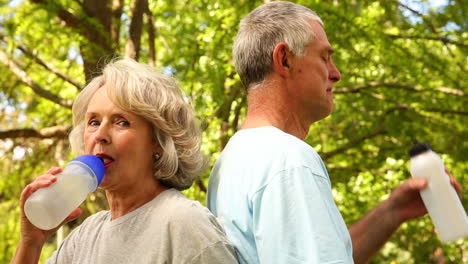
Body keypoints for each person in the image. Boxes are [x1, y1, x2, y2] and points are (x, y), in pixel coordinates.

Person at [207, 2, 462, 264]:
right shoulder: (288, 161)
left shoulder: (229, 163)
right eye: (324, 57)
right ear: (284, 59)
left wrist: (393, 210)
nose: (336, 73)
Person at [12, 59, 239, 263]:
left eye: (121, 122)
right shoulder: (86, 236)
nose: (100, 134)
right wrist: (31, 243)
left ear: (159, 141)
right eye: (93, 122)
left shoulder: (184, 225)